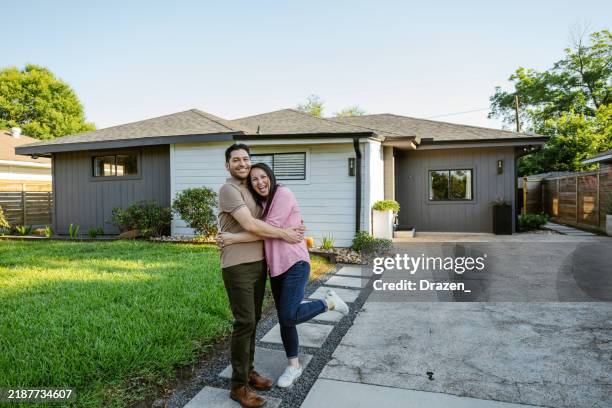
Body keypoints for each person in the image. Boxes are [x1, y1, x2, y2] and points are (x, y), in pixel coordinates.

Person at [217, 162, 349, 389]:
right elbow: (263, 229)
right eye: (254, 180)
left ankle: (328, 303)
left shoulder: (283, 194)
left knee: (288, 316)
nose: (260, 182)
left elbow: (264, 229)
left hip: (295, 263)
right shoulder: (263, 202)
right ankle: (294, 366)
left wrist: (232, 238)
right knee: (286, 319)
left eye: (263, 177)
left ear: (271, 176)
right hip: (275, 268)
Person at [218, 144, 306, 408]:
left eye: (246, 159)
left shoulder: (252, 189)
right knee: (244, 322)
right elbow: (253, 225)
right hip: (237, 265)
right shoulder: (229, 189)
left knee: (253, 321)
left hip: (258, 264)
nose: (242, 164)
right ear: (228, 165)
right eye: (236, 160)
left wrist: (289, 228)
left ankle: (248, 372)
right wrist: (284, 233)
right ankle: (238, 386)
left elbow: (274, 220)